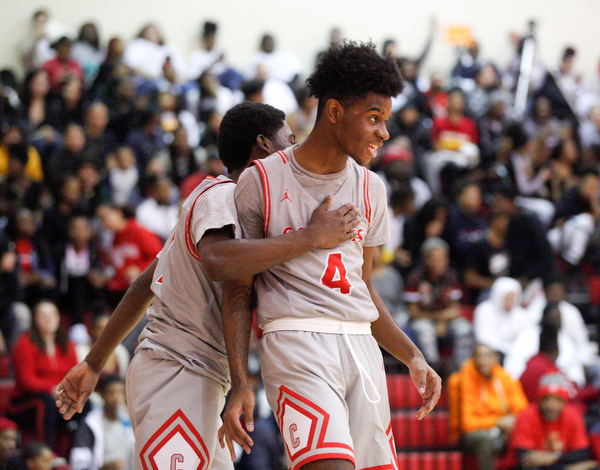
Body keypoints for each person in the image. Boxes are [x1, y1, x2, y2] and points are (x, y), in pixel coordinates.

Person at [54, 102, 361, 470]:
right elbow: (218, 262)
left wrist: (93, 363)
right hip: (176, 369)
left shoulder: (228, 207)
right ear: (264, 144)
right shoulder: (221, 194)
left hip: (201, 375)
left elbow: (143, 286)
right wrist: (311, 237)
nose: (294, 149)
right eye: (289, 139)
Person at [224, 41, 441, 470]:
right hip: (295, 340)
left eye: (387, 121)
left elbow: (364, 290)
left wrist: (412, 355)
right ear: (336, 111)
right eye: (374, 118)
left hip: (362, 346)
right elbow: (237, 288)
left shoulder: (371, 189)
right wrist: (239, 381)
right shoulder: (261, 180)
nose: (384, 133)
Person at [448, 343, 528, 470]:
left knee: (524, 433)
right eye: (479, 356)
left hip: (501, 431)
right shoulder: (463, 379)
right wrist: (498, 422)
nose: (483, 361)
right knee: (486, 440)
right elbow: (468, 424)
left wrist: (511, 423)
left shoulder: (503, 376)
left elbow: (522, 411)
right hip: (471, 434)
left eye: (487, 356)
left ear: (494, 359)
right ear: (473, 359)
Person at [11, 300, 78, 450]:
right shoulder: (25, 343)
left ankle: (80, 451)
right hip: (26, 400)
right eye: (43, 315)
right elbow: (26, 381)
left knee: (86, 404)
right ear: (35, 319)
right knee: (46, 402)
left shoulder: (67, 344)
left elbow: (74, 375)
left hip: (59, 397)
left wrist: (64, 392)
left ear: (58, 317)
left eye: (52, 314)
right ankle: (45, 451)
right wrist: (54, 389)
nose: (48, 318)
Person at [405, 237, 472, 372]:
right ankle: (433, 371)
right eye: (434, 258)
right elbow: (414, 312)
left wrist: (442, 323)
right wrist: (439, 319)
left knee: (464, 328)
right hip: (422, 321)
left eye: (442, 258)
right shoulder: (415, 278)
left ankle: (461, 372)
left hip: (446, 322)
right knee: (425, 330)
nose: (439, 263)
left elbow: (455, 310)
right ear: (426, 259)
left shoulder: (452, 276)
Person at [506, 373, 598, 470]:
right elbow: (523, 456)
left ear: (564, 401)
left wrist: (554, 457)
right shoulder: (526, 415)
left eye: (557, 399)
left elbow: (582, 452)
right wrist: (566, 463)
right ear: (539, 400)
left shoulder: (573, 415)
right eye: (546, 399)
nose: (551, 405)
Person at [70, 375, 134, 470]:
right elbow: (79, 462)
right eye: (111, 393)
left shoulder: (130, 421)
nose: (117, 398)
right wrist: (103, 468)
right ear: (102, 395)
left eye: (121, 393)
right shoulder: (90, 423)